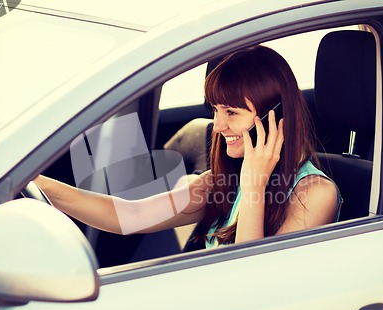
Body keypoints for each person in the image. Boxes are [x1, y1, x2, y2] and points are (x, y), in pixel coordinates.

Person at [34, 45, 341, 249]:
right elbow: (132, 215)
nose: (218, 127)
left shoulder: (314, 195)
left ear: (276, 117)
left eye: (232, 112)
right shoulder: (219, 183)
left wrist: (254, 183)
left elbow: (250, 277)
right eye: (216, 110)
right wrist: (37, 184)